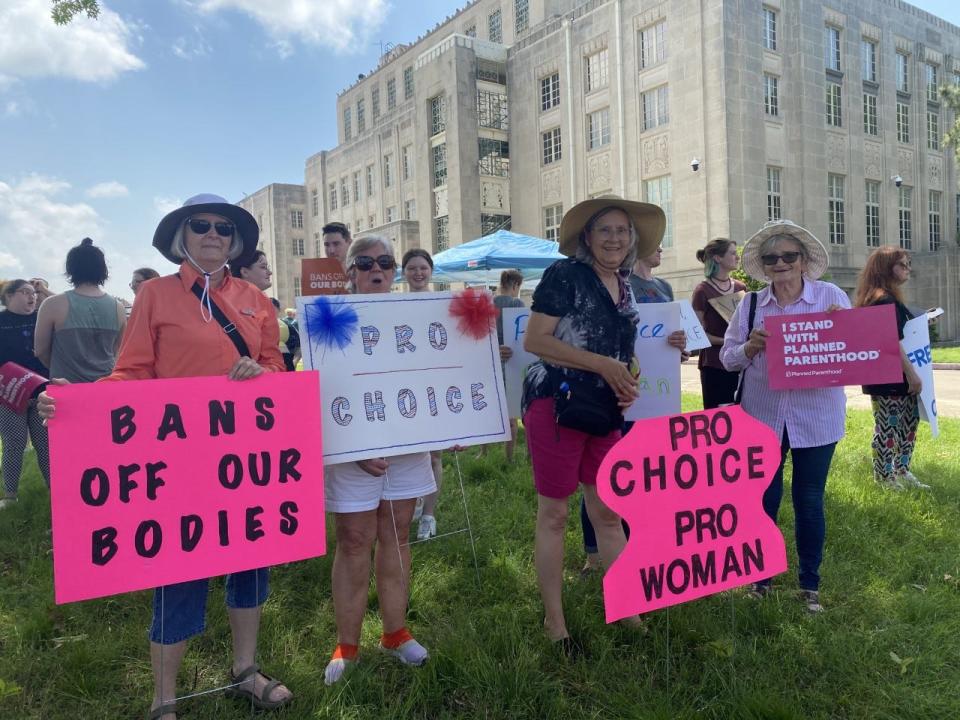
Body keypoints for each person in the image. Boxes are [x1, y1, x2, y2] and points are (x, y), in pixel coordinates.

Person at [38, 194, 291, 719]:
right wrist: (76, 402)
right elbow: (132, 371)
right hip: (179, 459)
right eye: (201, 225)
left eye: (224, 227)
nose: (213, 233)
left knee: (250, 562)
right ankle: (164, 700)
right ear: (183, 235)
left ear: (236, 240)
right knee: (180, 569)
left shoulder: (255, 299)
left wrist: (263, 374)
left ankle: (245, 669)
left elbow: (277, 370)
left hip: (245, 456)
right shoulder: (154, 294)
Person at [522, 196, 664, 647]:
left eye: (622, 231)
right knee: (555, 513)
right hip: (557, 404)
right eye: (605, 230)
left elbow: (622, 351)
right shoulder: (564, 276)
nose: (615, 238)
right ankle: (554, 622)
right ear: (587, 237)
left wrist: (628, 375)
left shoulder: (625, 285)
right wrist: (604, 366)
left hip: (605, 410)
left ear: (633, 240)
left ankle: (625, 605)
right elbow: (536, 340)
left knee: (607, 511)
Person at [721, 219, 849, 614]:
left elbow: (856, 355)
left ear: (803, 261)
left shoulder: (830, 297)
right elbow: (727, 360)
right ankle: (761, 579)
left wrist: (839, 331)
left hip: (817, 417)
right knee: (763, 500)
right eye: (772, 257)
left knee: (809, 501)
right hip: (763, 416)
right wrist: (750, 348)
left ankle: (810, 585)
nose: (780, 263)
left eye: (788, 256)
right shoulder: (752, 304)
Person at [323, 236, 435, 684]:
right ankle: (347, 645)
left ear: (396, 271)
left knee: (397, 531)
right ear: (349, 270)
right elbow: (320, 387)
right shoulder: (328, 318)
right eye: (365, 262)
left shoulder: (420, 317)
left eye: (386, 263)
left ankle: (395, 632)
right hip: (353, 449)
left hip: (407, 447)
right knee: (354, 539)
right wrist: (355, 444)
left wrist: (461, 421)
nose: (377, 269)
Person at [580, 246, 687, 574]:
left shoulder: (665, 288)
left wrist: (678, 345)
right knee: (604, 473)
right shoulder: (614, 284)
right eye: (654, 244)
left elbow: (674, 345)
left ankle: (642, 542)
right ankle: (594, 550)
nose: (661, 249)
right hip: (615, 392)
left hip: (656, 395)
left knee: (649, 475)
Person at [854, 246, 927, 491]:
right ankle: (885, 477)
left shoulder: (888, 297)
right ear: (887, 268)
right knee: (887, 427)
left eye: (908, 264)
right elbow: (890, 341)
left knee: (908, 423)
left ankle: (902, 469)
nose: (908, 269)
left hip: (896, 374)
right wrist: (911, 374)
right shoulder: (881, 298)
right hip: (887, 376)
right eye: (903, 265)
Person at [34, 238, 126, 384]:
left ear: (70, 269)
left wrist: (62, 367)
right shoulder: (118, 307)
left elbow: (40, 350)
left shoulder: (52, 304)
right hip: (105, 387)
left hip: (64, 386)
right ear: (103, 270)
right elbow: (118, 351)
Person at [401, 248, 444, 540]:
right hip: (405, 386)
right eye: (412, 268)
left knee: (435, 455)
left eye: (423, 268)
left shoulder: (443, 302)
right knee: (410, 453)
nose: (418, 273)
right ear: (404, 272)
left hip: (437, 384)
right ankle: (413, 500)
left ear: (431, 271)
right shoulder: (393, 304)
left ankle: (429, 513)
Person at [0, 280, 50, 508]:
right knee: (13, 443)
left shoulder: (43, 317)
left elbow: (66, 309)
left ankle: (55, 489)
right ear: (8, 296)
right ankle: (10, 494)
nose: (32, 297)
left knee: (46, 444)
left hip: (42, 393)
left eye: (34, 293)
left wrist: (44, 292)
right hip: (9, 395)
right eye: (25, 292)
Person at [692, 238, 747, 408]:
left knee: (743, 416)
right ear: (717, 258)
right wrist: (727, 341)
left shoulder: (741, 288)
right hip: (714, 364)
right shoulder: (702, 290)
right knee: (718, 416)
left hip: (740, 361)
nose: (737, 257)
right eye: (732, 253)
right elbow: (696, 334)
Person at [490, 269, 525, 464]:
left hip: (490, 362)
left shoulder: (488, 303)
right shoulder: (516, 303)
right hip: (512, 361)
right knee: (513, 413)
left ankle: (483, 450)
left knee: (488, 409)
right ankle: (509, 458)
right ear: (515, 286)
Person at [270, 297, 301, 372]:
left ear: (278, 309)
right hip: (264, 366)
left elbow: (299, 346)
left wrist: (294, 361)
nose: (267, 311)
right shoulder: (255, 326)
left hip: (286, 363)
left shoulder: (287, 325)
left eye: (271, 308)